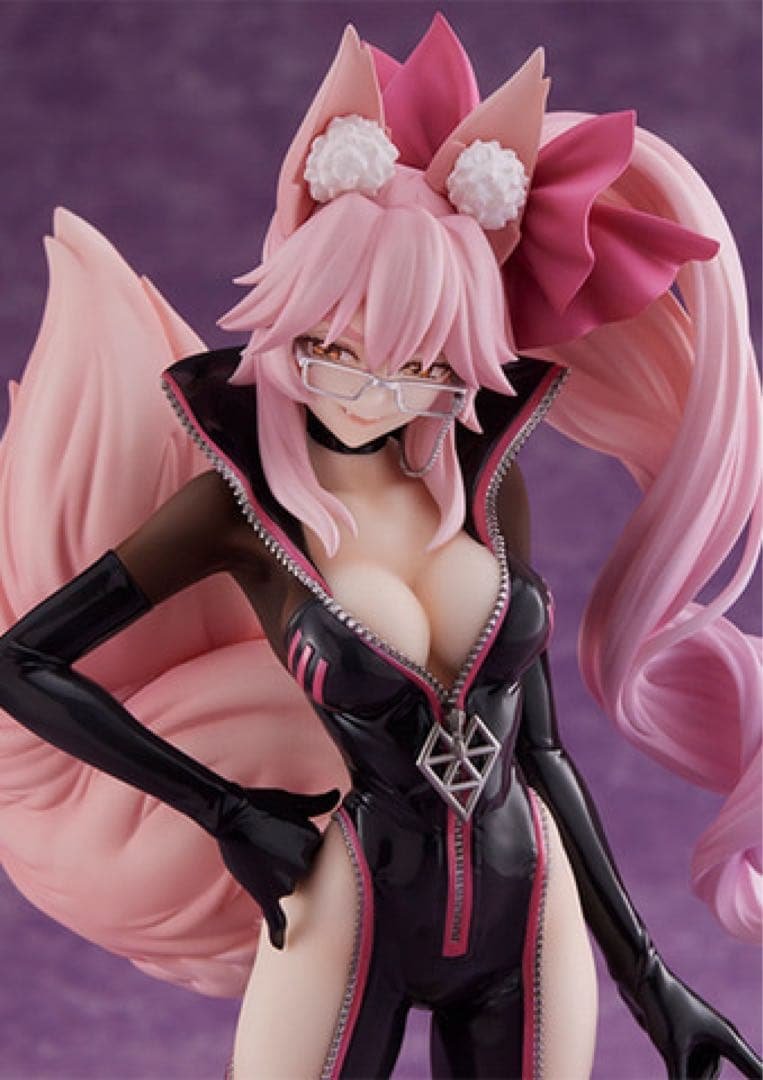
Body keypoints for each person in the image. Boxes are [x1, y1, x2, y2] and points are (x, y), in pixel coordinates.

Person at [0, 15, 760, 1079]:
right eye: (330, 350)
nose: (367, 393)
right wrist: (227, 810)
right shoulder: (243, 507)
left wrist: (650, 976)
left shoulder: (484, 484)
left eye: (415, 366)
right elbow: (22, 662)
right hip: (348, 905)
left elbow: (540, 754)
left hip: (529, 904)